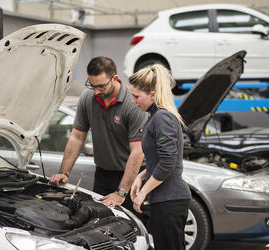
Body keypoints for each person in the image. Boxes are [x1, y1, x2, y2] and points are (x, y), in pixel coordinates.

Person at [50, 56, 147, 211]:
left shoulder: (132, 103)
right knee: (98, 221)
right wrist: (64, 172)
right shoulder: (87, 99)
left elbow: (138, 151)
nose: (96, 91)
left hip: (132, 176)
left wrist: (121, 192)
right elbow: (77, 137)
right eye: (92, 85)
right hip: (103, 175)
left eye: (101, 86)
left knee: (131, 226)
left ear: (115, 78)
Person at [129, 64, 191, 250]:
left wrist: (143, 193)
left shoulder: (162, 118)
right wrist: (140, 177)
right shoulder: (154, 116)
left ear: (153, 93)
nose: (133, 101)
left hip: (170, 201)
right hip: (164, 200)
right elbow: (159, 159)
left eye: (136, 96)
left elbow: (167, 163)